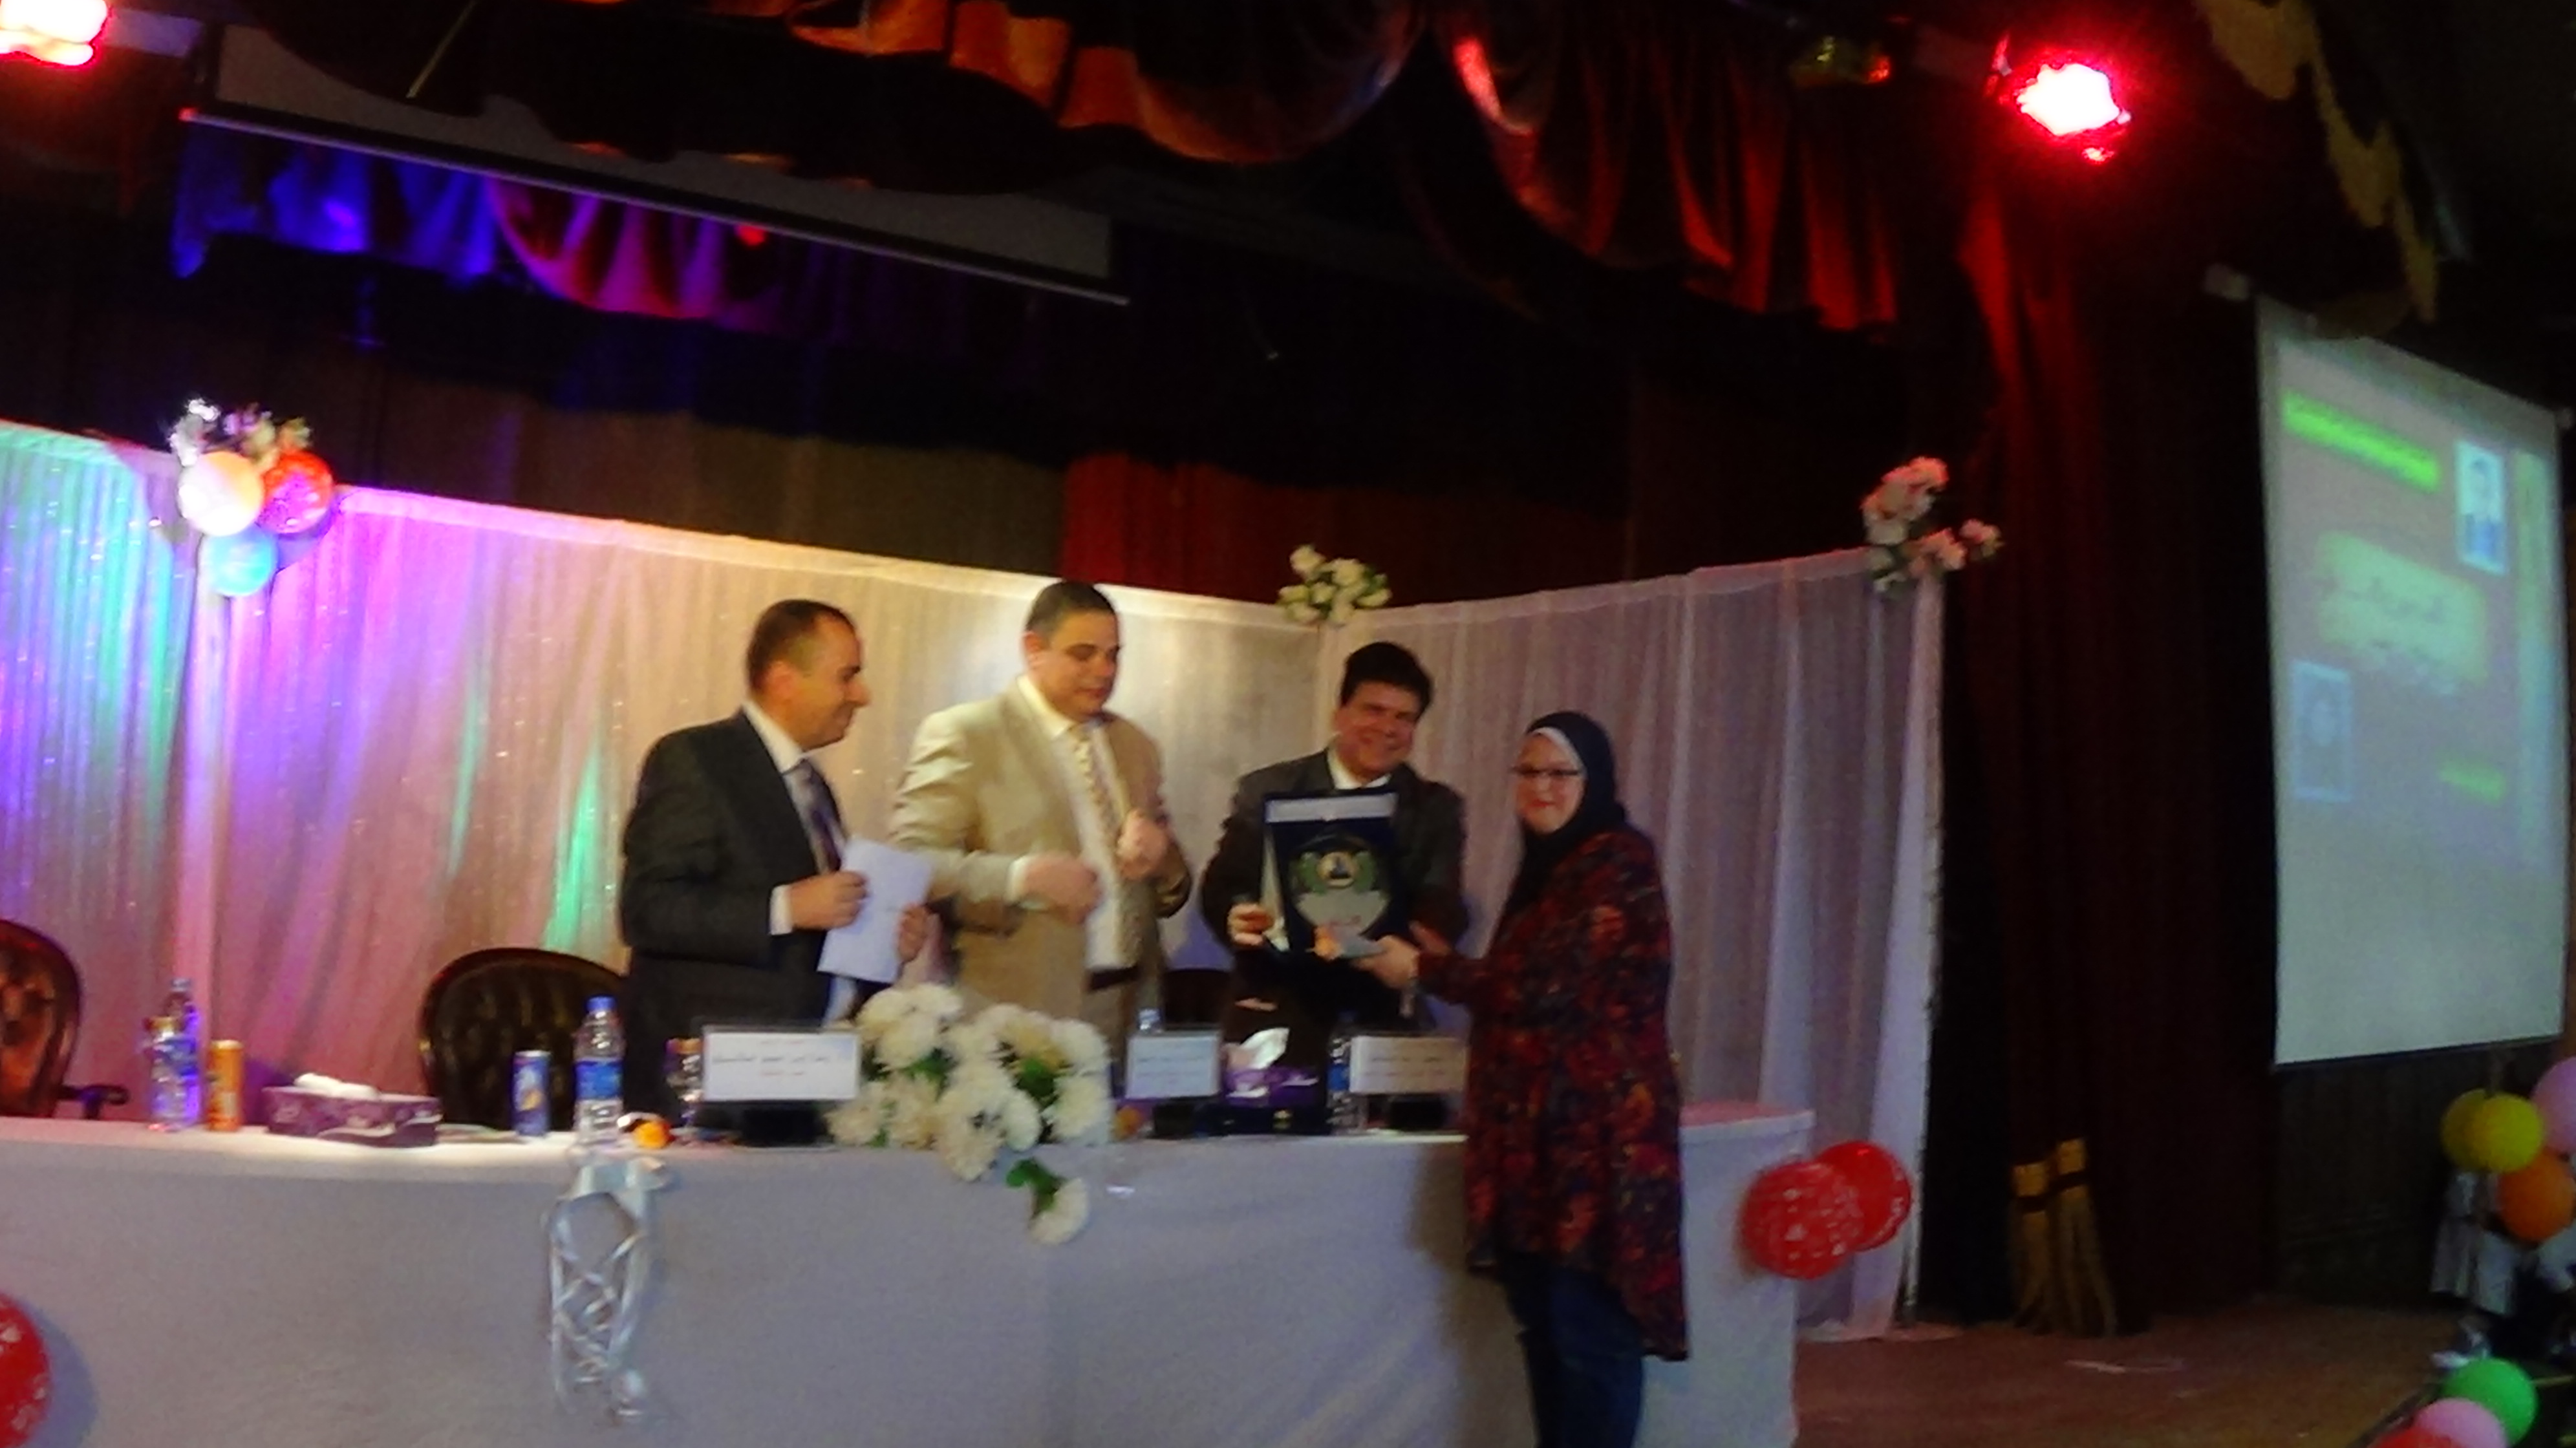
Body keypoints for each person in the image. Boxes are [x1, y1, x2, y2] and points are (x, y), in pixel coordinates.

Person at [1362, 712, 1686, 1448]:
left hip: (1595, 1152)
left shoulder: (1617, 860)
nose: (1542, 787)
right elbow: (1524, 981)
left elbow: (1547, 984)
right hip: (1538, 1148)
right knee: (1546, 1329)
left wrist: (1426, 969)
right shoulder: (1549, 870)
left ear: (1594, 781)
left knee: (1588, 1336)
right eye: (1529, 772)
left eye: (1560, 773)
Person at [618, 599, 927, 1118]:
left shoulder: (813, 786)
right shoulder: (697, 759)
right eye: (847, 676)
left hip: (803, 1075)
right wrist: (785, 907)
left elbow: (818, 938)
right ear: (784, 681)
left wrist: (883, 944)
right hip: (713, 1087)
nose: (862, 695)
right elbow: (647, 910)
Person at [889, 580, 1191, 1056]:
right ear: (1034, 649)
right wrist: (1020, 877)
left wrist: (1164, 857)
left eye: (1113, 655)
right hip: (1013, 1016)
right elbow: (911, 862)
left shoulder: (1136, 746)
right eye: (1083, 654)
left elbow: (1172, 890)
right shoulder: (969, 735)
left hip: (1129, 1012)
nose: (1103, 671)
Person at [1199, 641, 1466, 1066]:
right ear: (1340, 714)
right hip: (1276, 1006)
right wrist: (1238, 914)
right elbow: (1222, 886)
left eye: (1404, 718)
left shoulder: (1435, 808)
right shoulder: (1269, 789)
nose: (1387, 728)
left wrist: (1404, 937)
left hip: (1380, 1014)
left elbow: (1442, 903)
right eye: (1373, 710)